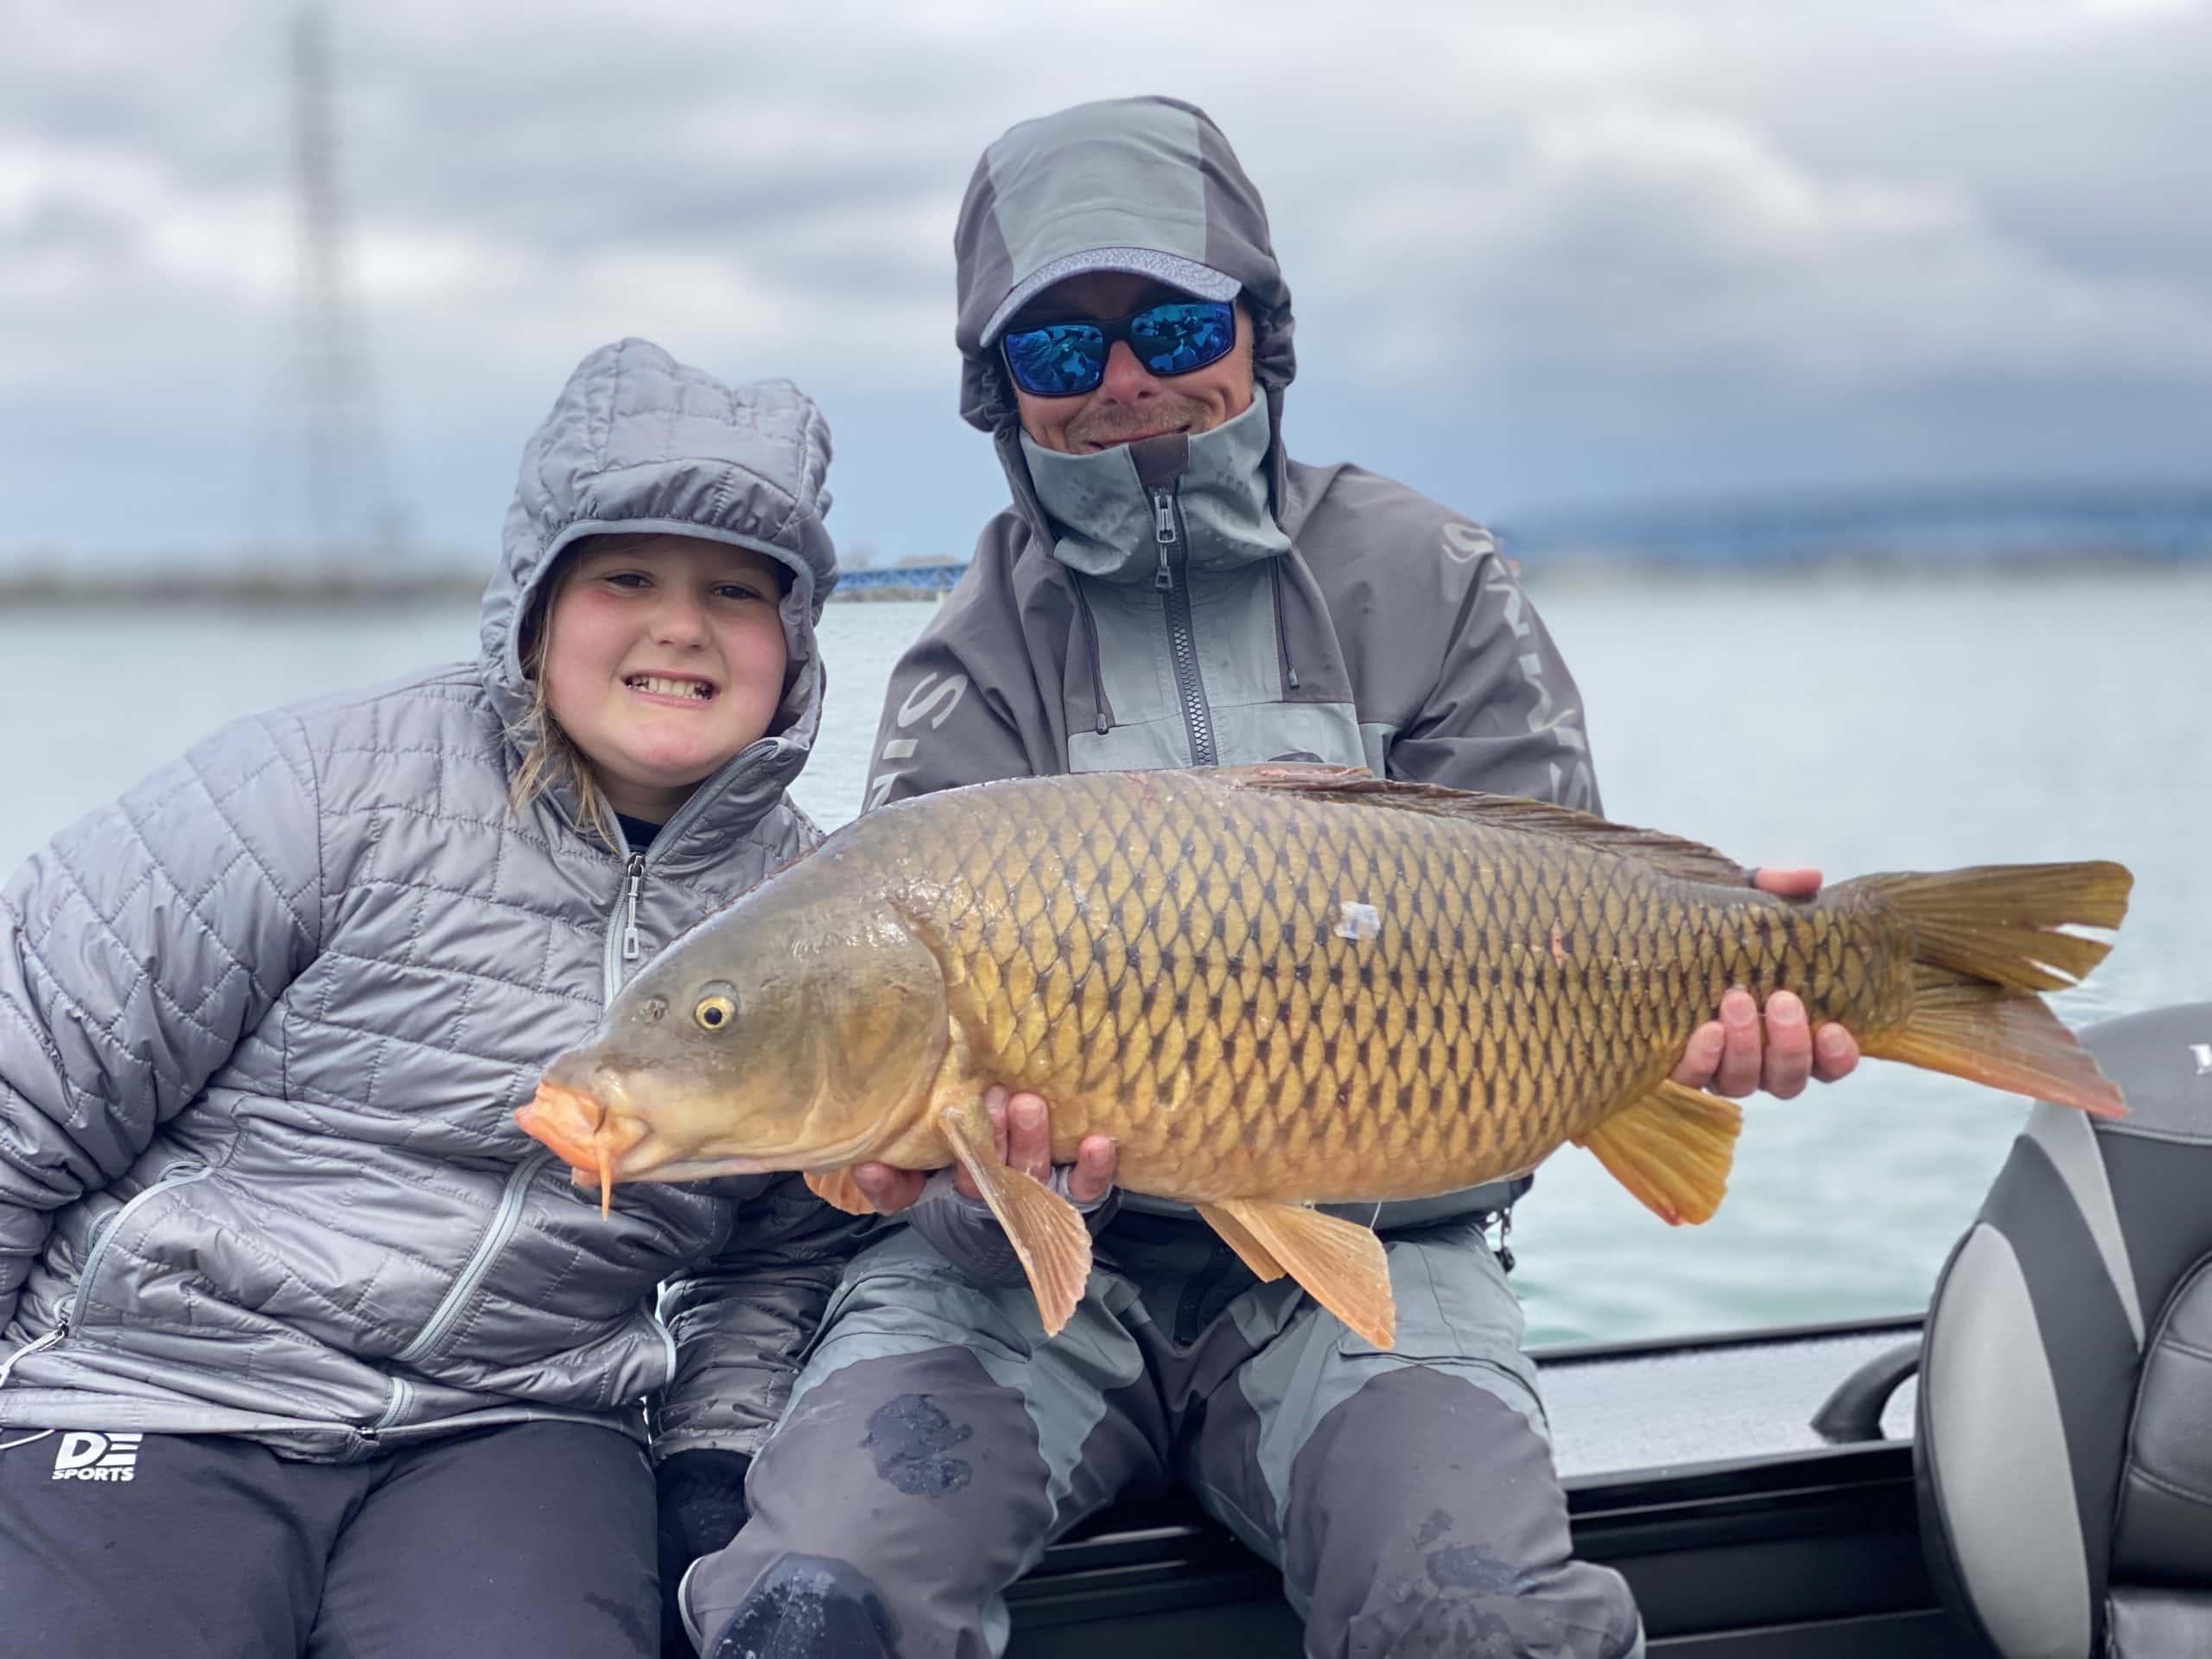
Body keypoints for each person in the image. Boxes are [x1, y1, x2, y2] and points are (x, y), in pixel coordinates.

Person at [672, 99, 1860, 1659]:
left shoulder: (1431, 578)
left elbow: (1544, 985)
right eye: (1055, 355)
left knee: (1487, 1627)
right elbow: (913, 1121)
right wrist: (962, 1182)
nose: (1127, 386)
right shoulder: (968, 654)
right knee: (803, 1612)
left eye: (1171, 323)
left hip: (1378, 1262)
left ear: (1259, 328)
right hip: (1018, 1303)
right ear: (997, 393)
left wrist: (1692, 1027)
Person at [0, 337, 860, 1659]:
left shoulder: (827, 909)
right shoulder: (312, 788)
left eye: (737, 593)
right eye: (626, 573)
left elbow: (784, 1248)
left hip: (528, 1424)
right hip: (169, 1380)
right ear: (533, 601)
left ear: (793, 642)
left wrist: (713, 1454)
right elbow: (25, 1082)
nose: (680, 626)